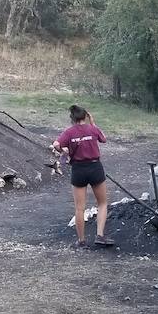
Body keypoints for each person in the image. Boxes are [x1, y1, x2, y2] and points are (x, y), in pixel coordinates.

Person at [53, 104, 111, 249]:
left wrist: (63, 151)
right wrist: (93, 123)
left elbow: (56, 144)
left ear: (72, 118)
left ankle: (81, 241)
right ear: (86, 116)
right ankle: (100, 236)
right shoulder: (92, 129)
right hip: (95, 167)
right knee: (102, 203)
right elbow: (103, 139)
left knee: (80, 208)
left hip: (78, 169)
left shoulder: (69, 132)